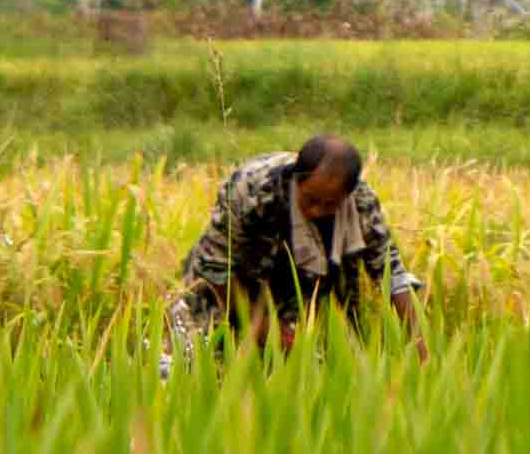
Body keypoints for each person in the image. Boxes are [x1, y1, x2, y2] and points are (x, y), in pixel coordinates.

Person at [170, 133, 419, 350]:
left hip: (290, 292)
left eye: (330, 204)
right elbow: (214, 271)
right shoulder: (253, 191)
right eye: (310, 200)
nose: (317, 211)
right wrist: (266, 328)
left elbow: (392, 275)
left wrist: (421, 347)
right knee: (203, 362)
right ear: (296, 180)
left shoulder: (360, 203)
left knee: (296, 367)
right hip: (223, 291)